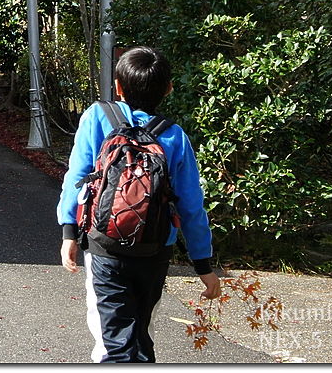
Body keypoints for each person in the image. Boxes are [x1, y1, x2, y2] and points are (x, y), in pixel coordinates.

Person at [58, 46, 221, 363]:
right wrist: (204, 264)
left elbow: (76, 177)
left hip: (105, 245)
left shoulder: (96, 117)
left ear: (118, 87)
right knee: (140, 333)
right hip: (155, 249)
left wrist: (68, 232)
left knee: (113, 340)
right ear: (168, 89)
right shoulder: (175, 136)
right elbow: (191, 205)